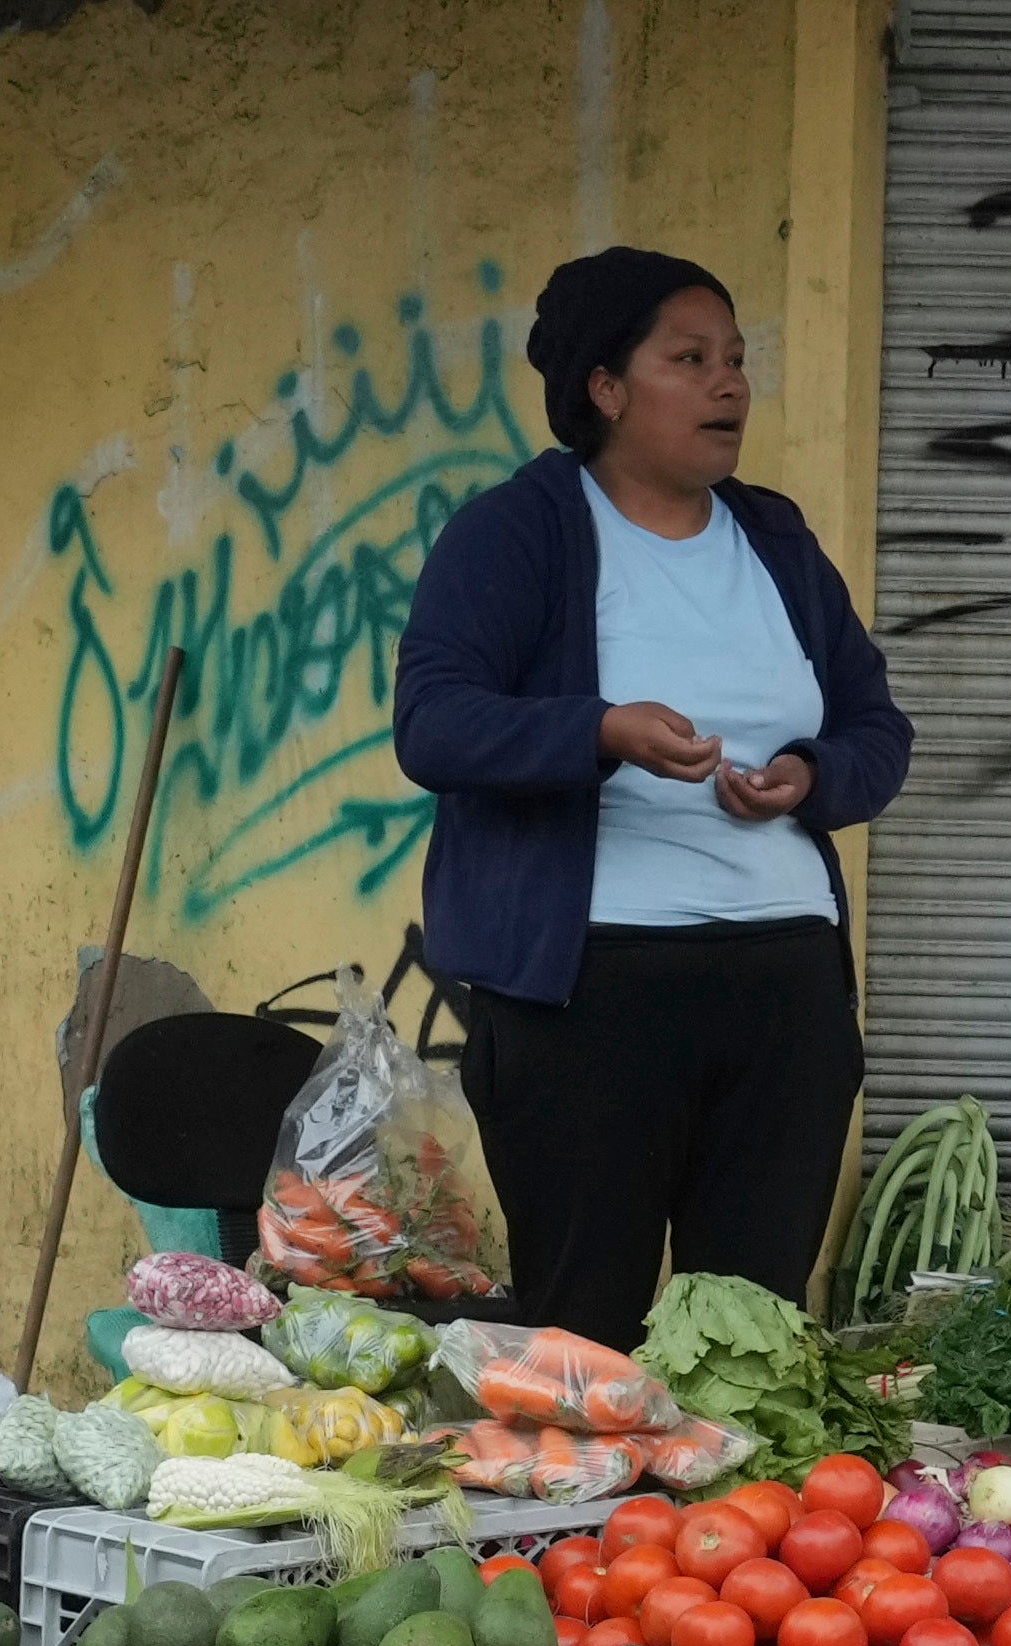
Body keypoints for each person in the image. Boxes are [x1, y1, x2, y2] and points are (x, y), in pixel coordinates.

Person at [386, 250, 911, 1325]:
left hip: (784, 989)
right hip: (590, 998)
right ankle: (595, 1503)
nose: (728, 384)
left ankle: (739, 1505)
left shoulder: (775, 538)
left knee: (750, 1329)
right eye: (689, 359)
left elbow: (876, 727)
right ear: (605, 387)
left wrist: (810, 774)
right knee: (586, 1334)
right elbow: (431, 722)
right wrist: (598, 730)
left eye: (735, 360)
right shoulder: (516, 530)